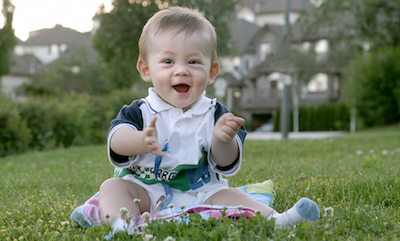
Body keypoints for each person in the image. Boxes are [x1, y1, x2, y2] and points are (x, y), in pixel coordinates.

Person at [98, 6, 319, 236]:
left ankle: (277, 220)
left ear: (212, 72)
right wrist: (139, 140)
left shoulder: (216, 114)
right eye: (167, 61)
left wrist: (221, 140)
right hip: (145, 190)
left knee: (234, 196)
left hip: (202, 191)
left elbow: (226, 162)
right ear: (146, 69)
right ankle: (123, 225)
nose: (181, 70)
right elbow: (116, 140)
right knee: (112, 188)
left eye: (193, 62)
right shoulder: (140, 111)